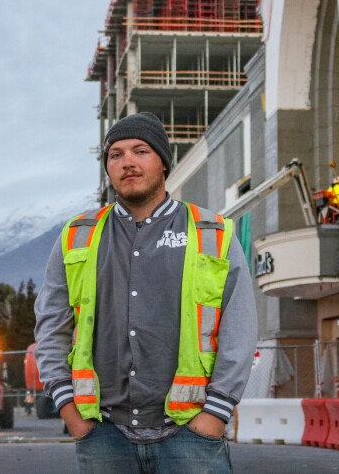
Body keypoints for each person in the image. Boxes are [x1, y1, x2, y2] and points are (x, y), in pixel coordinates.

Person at [34, 112, 257, 474]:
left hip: (191, 433)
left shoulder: (212, 233)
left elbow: (240, 327)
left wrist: (216, 413)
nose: (128, 163)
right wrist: (69, 410)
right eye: (116, 155)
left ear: (164, 162)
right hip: (104, 434)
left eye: (140, 151)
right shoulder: (78, 236)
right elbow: (50, 326)